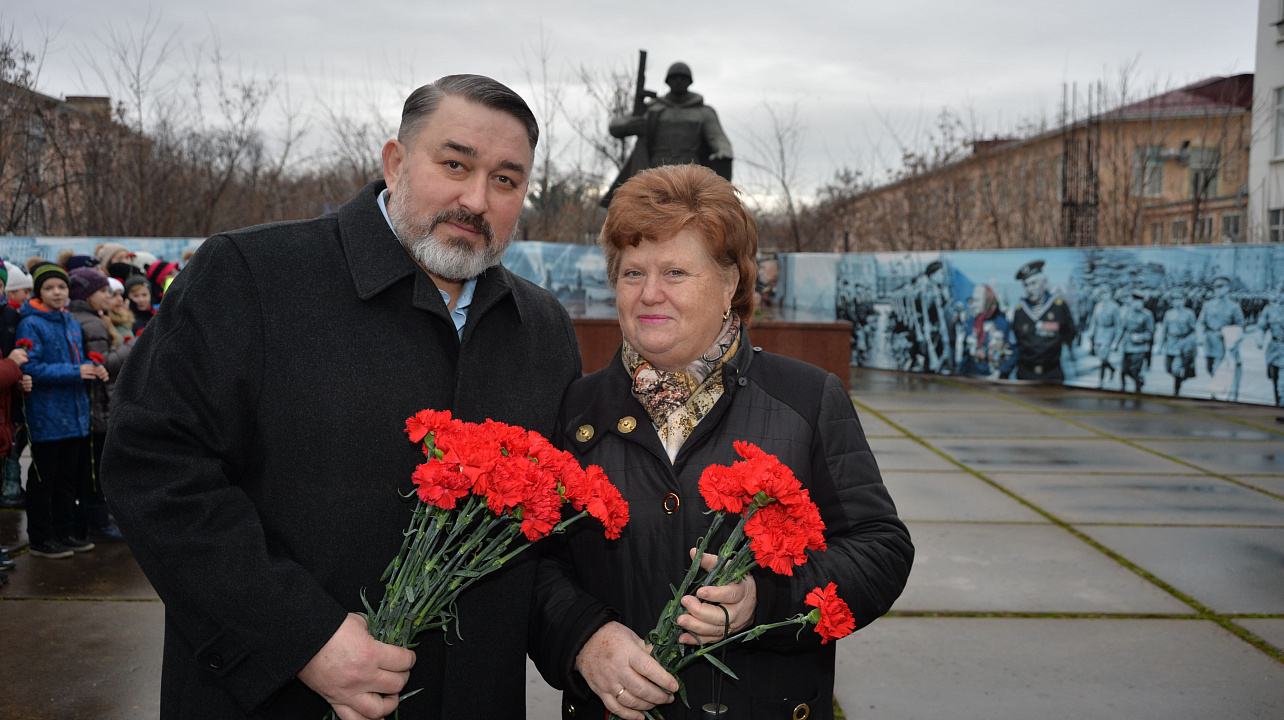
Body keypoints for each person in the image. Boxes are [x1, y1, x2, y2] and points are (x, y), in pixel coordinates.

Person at [101, 74, 581, 720]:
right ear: (395, 161)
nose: (476, 198)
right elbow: (155, 469)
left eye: (506, 179)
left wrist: (588, 634)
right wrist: (301, 635)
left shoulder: (543, 329)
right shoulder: (252, 277)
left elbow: (546, 534)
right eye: (454, 164)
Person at [529, 165, 913, 720]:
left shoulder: (807, 400)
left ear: (730, 282)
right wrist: (582, 637)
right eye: (633, 272)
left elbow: (880, 551)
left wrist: (767, 600)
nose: (649, 294)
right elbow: (533, 565)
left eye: (676, 272)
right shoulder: (576, 411)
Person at [18, 264, 108, 559]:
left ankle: (65, 531)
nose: (57, 293)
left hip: (75, 415)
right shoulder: (31, 324)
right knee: (45, 478)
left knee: (70, 478)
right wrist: (75, 371)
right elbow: (30, 367)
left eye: (62, 287)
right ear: (39, 292)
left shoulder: (70, 321)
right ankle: (41, 538)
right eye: (49, 288)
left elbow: (80, 361)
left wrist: (94, 368)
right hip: (47, 415)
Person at [604, 62, 734, 205]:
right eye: (674, 78)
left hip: (691, 171)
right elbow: (615, 127)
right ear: (668, 81)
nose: (678, 81)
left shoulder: (703, 112)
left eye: (682, 78)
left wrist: (723, 151)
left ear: (689, 81)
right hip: (655, 171)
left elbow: (717, 137)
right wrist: (630, 125)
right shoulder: (654, 108)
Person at [67, 268, 129, 542]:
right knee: (96, 470)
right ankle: (99, 523)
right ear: (87, 294)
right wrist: (130, 348)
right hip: (98, 405)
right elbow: (101, 363)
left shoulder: (90, 318)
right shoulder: (91, 323)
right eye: (103, 291)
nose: (108, 296)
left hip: (97, 404)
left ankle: (98, 521)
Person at [1010, 260, 1076, 382]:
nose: (1030, 288)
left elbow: (1070, 334)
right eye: (1026, 285)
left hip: (1052, 374)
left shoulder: (1058, 306)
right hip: (1025, 374)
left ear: (1044, 282)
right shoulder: (1020, 311)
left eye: (1034, 283)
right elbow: (1015, 340)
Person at [1199, 276, 1245, 402]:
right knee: (1209, 367)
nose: (1218, 290)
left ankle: (1216, 395)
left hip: (1224, 343)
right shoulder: (1207, 305)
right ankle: (1217, 389)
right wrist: (1200, 336)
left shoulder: (1234, 307)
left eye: (1221, 287)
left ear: (1227, 289)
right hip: (1209, 341)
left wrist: (1231, 338)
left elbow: (1240, 326)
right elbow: (1201, 322)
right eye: (1215, 288)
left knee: (1217, 368)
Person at [959, 284, 1017, 379]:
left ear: (987, 301)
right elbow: (966, 355)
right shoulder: (971, 324)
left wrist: (1000, 372)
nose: (974, 304)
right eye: (973, 300)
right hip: (973, 378)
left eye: (977, 300)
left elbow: (1013, 353)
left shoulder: (1003, 324)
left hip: (996, 379)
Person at [1155, 291, 1198, 397]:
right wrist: (1160, 346)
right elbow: (1164, 330)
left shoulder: (1189, 313)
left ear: (1184, 301)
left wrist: (1188, 343)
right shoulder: (1168, 313)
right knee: (1168, 368)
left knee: (1176, 368)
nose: (1177, 302)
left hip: (1182, 343)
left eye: (1179, 300)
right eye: (1175, 300)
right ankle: (1181, 377)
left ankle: (1176, 389)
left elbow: (1193, 330)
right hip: (1170, 343)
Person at [1112, 290, 1155, 394]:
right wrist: (1115, 343)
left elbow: (1150, 333)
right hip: (1127, 346)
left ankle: (1138, 386)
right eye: (1134, 302)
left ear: (1142, 303)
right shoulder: (1128, 313)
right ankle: (1123, 388)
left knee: (1134, 370)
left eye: (1138, 302)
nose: (1136, 304)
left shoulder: (1147, 315)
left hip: (1140, 348)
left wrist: (1140, 337)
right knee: (1123, 370)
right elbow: (1122, 329)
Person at [1251, 285, 1284, 406]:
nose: (1280, 296)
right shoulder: (1270, 309)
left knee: (1282, 385)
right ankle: (1278, 405)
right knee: (1275, 380)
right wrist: (1259, 339)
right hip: (1274, 351)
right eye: (1280, 292)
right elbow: (1261, 326)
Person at [1083, 286, 1121, 388]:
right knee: (1101, 356)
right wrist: (1091, 333)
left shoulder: (1114, 307)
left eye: (1107, 294)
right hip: (1099, 332)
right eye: (1103, 294)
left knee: (1103, 357)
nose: (1105, 296)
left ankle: (1101, 380)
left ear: (1110, 294)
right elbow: (1094, 321)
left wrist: (1115, 342)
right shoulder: (1098, 306)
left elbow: (1118, 325)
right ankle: (1112, 369)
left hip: (1109, 333)